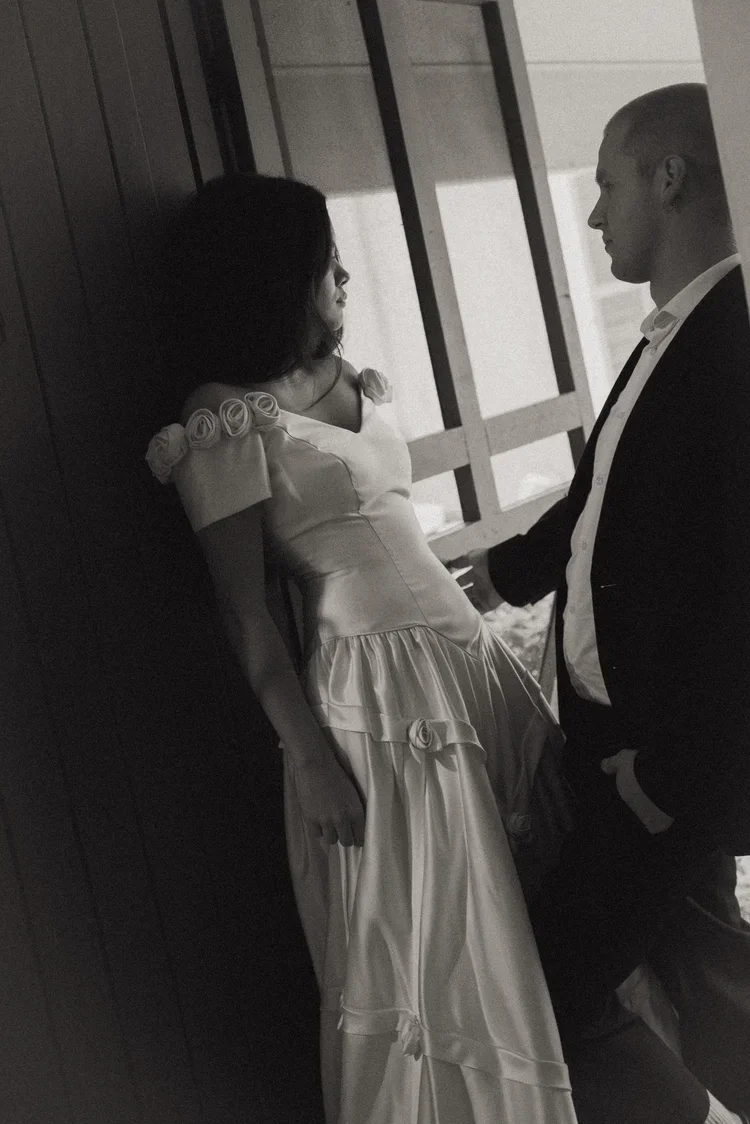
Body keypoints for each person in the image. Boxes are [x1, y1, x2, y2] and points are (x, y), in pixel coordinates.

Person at [145, 173, 578, 1124]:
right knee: (448, 954)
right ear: (270, 273)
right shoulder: (224, 412)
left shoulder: (347, 376)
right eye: (321, 258)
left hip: (468, 666)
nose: (341, 274)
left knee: (565, 911)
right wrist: (310, 759)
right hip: (374, 700)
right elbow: (244, 612)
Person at [455, 84, 750, 1124]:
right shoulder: (671, 330)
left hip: (660, 762)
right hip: (614, 743)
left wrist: (666, 774)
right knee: (711, 973)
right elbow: (601, 501)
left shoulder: (734, 339)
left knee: (552, 996)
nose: (593, 214)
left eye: (606, 185)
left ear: (670, 179)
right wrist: (501, 572)